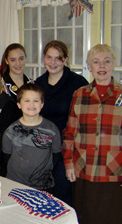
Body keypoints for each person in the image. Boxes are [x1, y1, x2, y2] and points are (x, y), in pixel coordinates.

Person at [62, 44, 122, 224]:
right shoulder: (79, 94)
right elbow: (70, 132)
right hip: (83, 167)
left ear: (113, 65)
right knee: (87, 218)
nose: (101, 66)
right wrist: (68, 163)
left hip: (112, 169)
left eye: (106, 61)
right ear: (89, 66)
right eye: (96, 62)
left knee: (102, 220)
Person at [35, 40, 89, 204]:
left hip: (66, 150)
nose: (52, 62)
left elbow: (85, 120)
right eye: (49, 57)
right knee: (41, 197)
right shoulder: (38, 84)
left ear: (65, 59)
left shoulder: (78, 84)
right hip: (41, 148)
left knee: (62, 197)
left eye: (58, 58)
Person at [2, 84, 61, 193]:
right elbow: (7, 157)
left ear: (42, 104)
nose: (31, 104)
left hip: (44, 187)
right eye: (27, 100)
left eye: (36, 101)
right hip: (15, 185)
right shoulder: (10, 131)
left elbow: (56, 155)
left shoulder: (52, 129)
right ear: (19, 104)